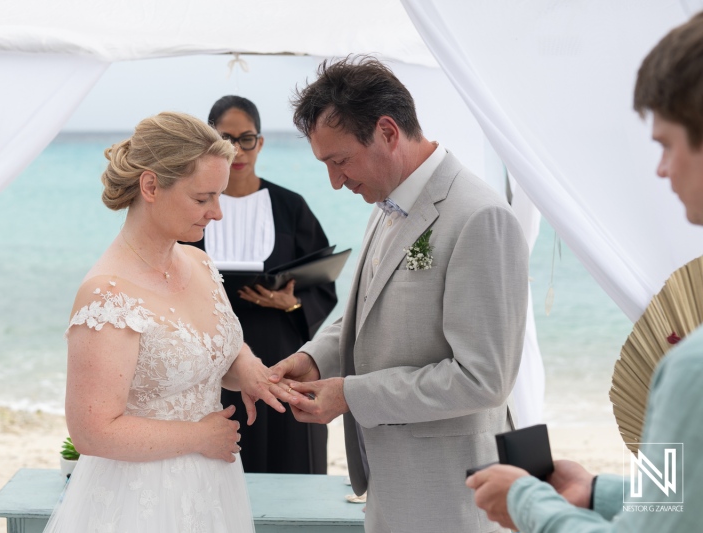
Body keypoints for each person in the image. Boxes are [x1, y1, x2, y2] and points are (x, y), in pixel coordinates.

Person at [268, 57, 530, 532]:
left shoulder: (479, 216)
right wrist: (314, 359)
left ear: (388, 132)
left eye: (340, 160)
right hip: (390, 485)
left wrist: (350, 395)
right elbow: (365, 311)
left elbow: (483, 378)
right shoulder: (385, 203)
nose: (335, 181)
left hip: (453, 492)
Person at [466, 12, 703, 532]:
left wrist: (527, 502)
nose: (660, 169)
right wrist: (597, 490)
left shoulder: (693, 368)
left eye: (665, 144)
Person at [42, 111, 290, 532]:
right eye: (202, 198)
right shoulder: (108, 294)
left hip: (213, 488)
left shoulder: (199, 261)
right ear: (151, 186)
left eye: (219, 197)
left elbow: (209, 347)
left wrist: (244, 365)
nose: (217, 214)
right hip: (139, 500)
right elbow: (92, 431)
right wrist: (199, 437)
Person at [187, 95, 337, 474]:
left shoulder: (291, 206)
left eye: (247, 138)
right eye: (226, 138)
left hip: (280, 361)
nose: (238, 149)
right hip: (212, 364)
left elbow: (321, 284)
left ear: (260, 142)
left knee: (290, 465)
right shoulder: (192, 208)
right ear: (209, 143)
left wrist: (290, 302)